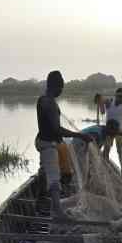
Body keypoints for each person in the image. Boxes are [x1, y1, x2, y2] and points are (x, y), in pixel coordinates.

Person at [36, 70, 92, 218]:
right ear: (56, 86)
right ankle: (58, 212)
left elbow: (50, 127)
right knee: (54, 179)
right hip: (48, 144)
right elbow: (56, 129)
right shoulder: (49, 103)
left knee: (45, 173)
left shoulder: (43, 100)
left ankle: (40, 204)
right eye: (61, 88)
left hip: (45, 141)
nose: (61, 91)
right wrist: (79, 135)